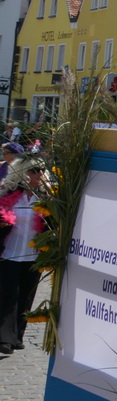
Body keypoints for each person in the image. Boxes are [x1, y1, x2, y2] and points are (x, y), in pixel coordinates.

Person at [0, 152, 47, 356]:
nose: (39, 175)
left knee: (27, 297)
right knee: (9, 296)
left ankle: (18, 336)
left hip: (33, 256)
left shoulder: (45, 199)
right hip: (9, 254)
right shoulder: (8, 195)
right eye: (34, 171)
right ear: (22, 173)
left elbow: (52, 225)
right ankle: (5, 339)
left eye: (41, 171)